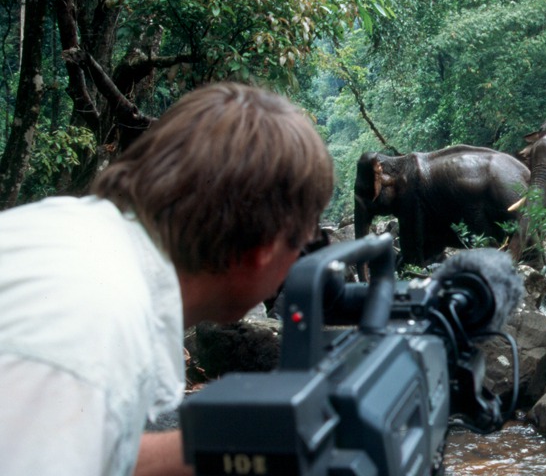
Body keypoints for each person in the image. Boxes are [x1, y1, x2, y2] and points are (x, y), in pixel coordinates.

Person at [0, 82, 334, 475]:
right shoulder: (91, 332)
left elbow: (89, 451)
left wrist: (252, 448)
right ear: (266, 246)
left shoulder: (73, 232)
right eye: (307, 241)